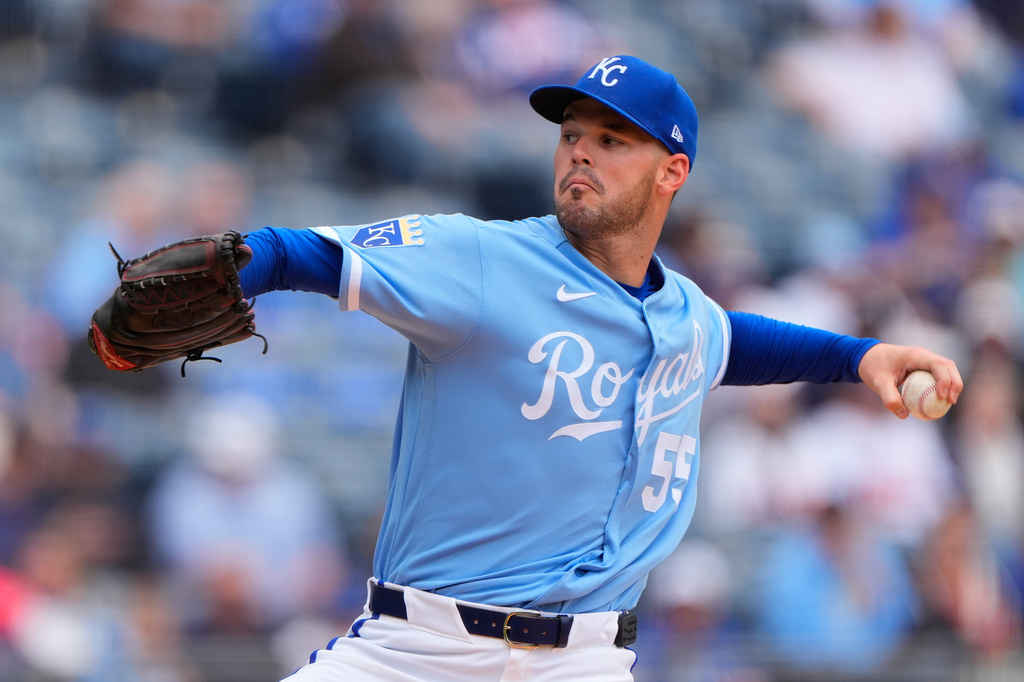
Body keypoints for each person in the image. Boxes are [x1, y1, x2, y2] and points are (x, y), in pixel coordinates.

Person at [105, 55, 963, 681]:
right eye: (571, 134)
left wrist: (862, 358)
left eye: (612, 139)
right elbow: (302, 253)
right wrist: (239, 266)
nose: (579, 153)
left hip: (583, 664)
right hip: (420, 653)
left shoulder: (686, 317)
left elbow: (739, 344)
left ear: (673, 172)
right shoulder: (481, 259)